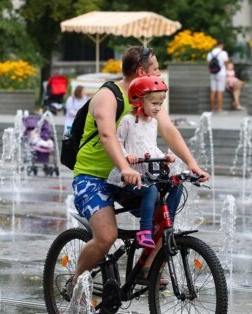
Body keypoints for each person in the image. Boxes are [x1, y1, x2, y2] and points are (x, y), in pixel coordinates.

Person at [68, 46, 209, 298]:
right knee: (107, 235)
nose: (159, 73)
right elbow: (107, 135)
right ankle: (76, 280)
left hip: (129, 177)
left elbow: (169, 131)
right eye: (156, 68)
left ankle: (147, 266)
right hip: (93, 178)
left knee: (166, 205)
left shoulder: (148, 97)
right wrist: (123, 166)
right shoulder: (108, 96)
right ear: (142, 71)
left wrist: (192, 164)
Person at [107, 76, 176, 249]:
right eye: (154, 103)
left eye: (160, 104)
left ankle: (164, 222)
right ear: (138, 100)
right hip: (127, 176)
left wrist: (164, 155)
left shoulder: (153, 123)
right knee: (150, 189)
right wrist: (126, 156)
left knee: (175, 183)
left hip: (146, 173)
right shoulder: (128, 121)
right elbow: (117, 142)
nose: (158, 108)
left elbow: (150, 147)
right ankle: (145, 230)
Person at [207, 42, 229, 112]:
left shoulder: (210, 53)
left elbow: (208, 64)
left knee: (213, 91)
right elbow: (226, 63)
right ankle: (220, 109)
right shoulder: (223, 53)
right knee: (220, 92)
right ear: (221, 45)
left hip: (213, 74)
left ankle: (212, 109)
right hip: (221, 73)